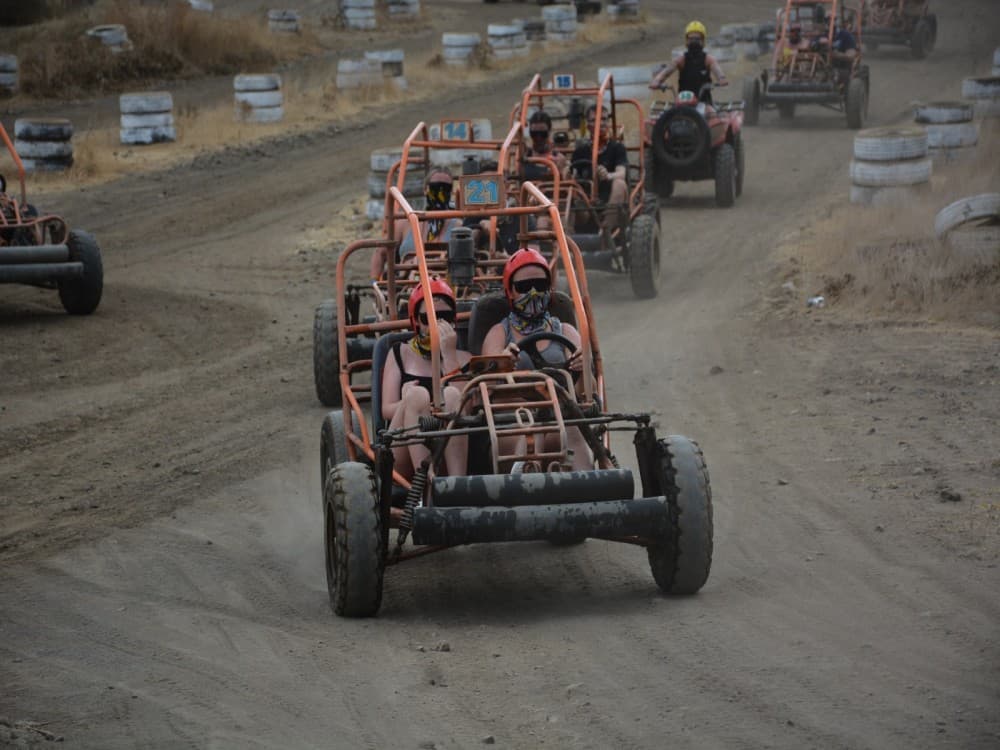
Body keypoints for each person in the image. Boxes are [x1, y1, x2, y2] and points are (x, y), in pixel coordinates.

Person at [481, 248, 592, 471]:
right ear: (510, 291)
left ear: (549, 289)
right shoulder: (499, 333)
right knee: (532, 432)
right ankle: (526, 486)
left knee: (571, 428)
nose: (533, 292)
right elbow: (484, 390)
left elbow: (584, 394)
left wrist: (583, 369)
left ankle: (592, 494)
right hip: (512, 424)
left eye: (539, 286)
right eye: (524, 287)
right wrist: (502, 366)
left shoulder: (566, 332)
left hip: (560, 419)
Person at [381, 278, 471, 478]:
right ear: (416, 321)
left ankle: (457, 487)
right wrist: (409, 401)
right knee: (417, 395)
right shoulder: (399, 353)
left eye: (444, 317)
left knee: (452, 395)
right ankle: (424, 486)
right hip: (403, 445)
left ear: (453, 320)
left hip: (453, 449)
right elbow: (386, 409)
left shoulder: (464, 358)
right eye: (428, 317)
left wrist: (448, 356)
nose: (436, 324)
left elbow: (469, 404)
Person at [369, 166, 462, 282]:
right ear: (425, 189)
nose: (440, 192)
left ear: (451, 192)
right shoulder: (405, 222)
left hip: (445, 285)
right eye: (435, 187)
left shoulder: (457, 225)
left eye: (446, 188)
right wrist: (375, 282)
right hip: (408, 285)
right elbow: (380, 252)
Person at [570, 104, 629, 247]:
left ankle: (606, 233)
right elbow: (572, 176)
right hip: (586, 206)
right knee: (568, 190)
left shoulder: (617, 148)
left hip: (611, 202)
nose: (600, 123)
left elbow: (622, 173)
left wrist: (608, 175)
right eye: (595, 120)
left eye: (604, 119)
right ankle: (565, 240)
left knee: (619, 183)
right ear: (588, 124)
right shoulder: (581, 151)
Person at [648, 20, 728, 105]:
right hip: (682, 103)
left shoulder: (708, 59)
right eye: (691, 39)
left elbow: (717, 70)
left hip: (704, 103)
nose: (694, 42)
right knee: (667, 116)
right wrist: (657, 81)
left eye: (697, 39)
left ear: (702, 40)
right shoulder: (681, 60)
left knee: (711, 115)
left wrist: (721, 79)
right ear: (687, 40)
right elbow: (667, 71)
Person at [523, 110, 567, 183]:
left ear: (549, 131)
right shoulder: (524, 156)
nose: (538, 138)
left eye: (543, 134)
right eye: (534, 134)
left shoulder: (559, 158)